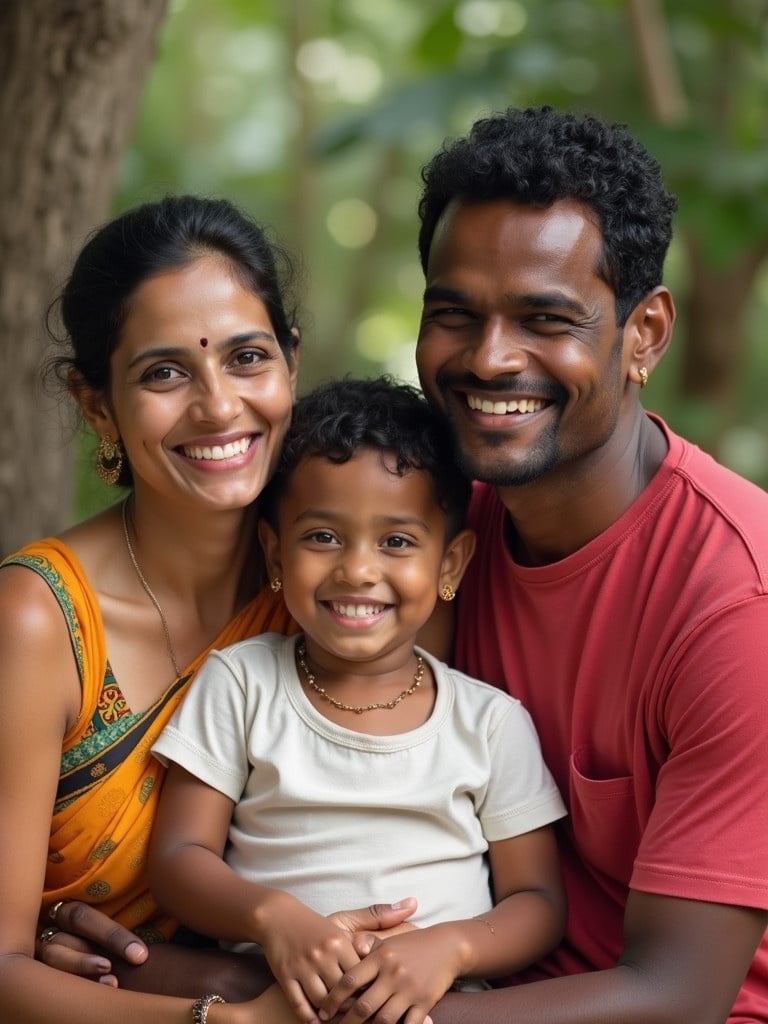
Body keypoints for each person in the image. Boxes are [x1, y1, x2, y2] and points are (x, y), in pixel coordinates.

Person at [0, 196, 412, 1024]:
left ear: (291, 363)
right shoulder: (39, 621)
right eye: (164, 372)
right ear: (95, 404)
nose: (220, 407)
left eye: (247, 358)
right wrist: (232, 1021)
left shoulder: (341, 590)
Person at [405, 104, 768, 1024]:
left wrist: (314, 1012)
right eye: (455, 314)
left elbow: (677, 997)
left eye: (544, 318)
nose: (489, 357)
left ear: (643, 335)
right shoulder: (428, 535)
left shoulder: (736, 603)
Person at [148, 376, 567, 1024]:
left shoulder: (489, 723)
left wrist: (450, 949)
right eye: (322, 536)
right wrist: (274, 918)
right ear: (274, 551)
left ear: (451, 565)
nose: (358, 570)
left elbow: (537, 901)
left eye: (397, 542)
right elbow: (179, 859)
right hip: (274, 1003)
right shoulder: (240, 683)